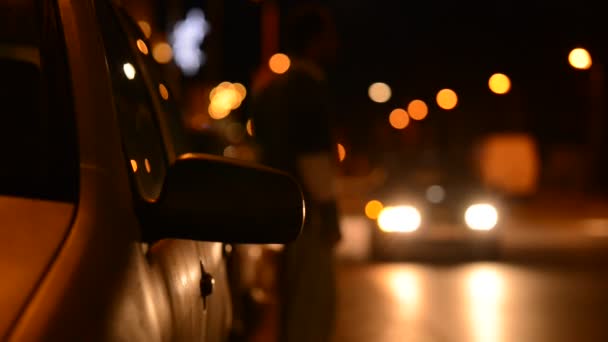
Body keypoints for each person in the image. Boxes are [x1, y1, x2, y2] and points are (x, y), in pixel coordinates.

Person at [249, 4, 341, 342]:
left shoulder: (275, 89)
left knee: (294, 301)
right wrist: (330, 214)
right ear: (315, 40)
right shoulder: (308, 87)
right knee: (313, 304)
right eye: (329, 35)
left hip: (285, 208)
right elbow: (313, 157)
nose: (336, 43)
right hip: (309, 209)